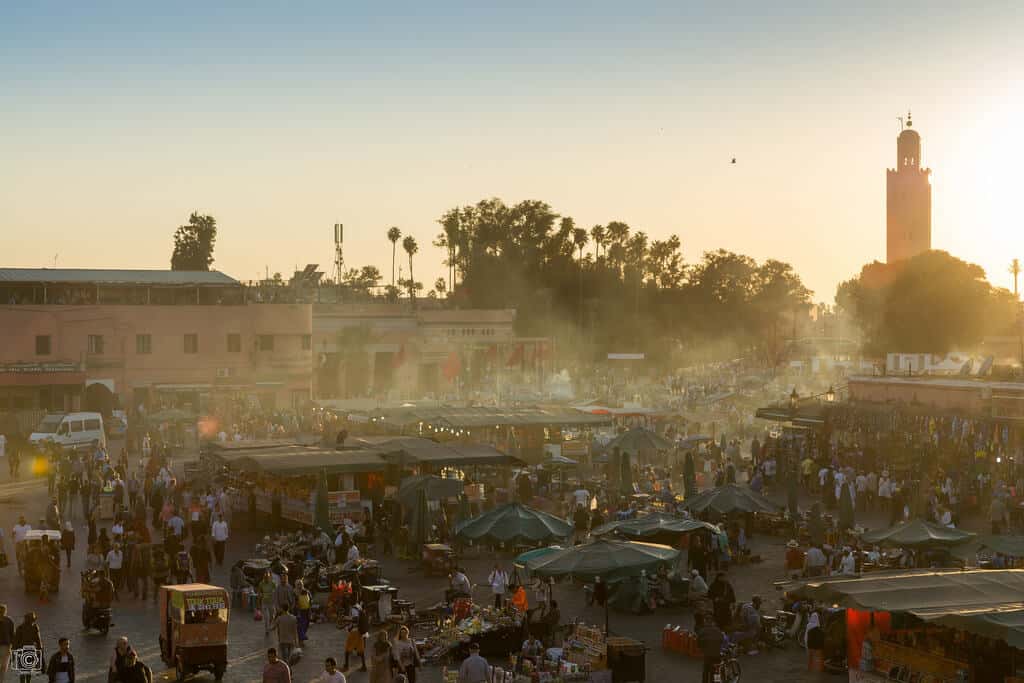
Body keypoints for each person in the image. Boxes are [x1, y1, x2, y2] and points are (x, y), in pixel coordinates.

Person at [696, 612, 725, 683]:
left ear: (705, 621)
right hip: (717, 654)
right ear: (712, 622)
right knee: (717, 670)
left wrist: (701, 648)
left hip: (708, 654)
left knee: (706, 670)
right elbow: (722, 639)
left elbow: (698, 642)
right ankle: (717, 681)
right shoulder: (717, 630)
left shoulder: (702, 630)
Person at [13, 613, 42, 683]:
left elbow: (38, 640)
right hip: (25, 651)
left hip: (27, 650)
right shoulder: (22, 628)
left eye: (32, 619)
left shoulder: (33, 627)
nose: (32, 621)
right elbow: (16, 641)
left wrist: (40, 649)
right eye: (31, 619)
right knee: (25, 671)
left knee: (26, 670)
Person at [342, 603, 367, 672]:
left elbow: (355, 620)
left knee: (347, 649)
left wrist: (347, 619)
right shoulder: (358, 607)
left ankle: (346, 665)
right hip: (359, 632)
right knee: (361, 650)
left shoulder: (354, 608)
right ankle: (364, 666)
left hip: (354, 632)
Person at [0, 604, 15, 683]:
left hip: (6, 647)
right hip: (6, 647)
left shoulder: (9, 621)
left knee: (3, 667)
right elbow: (12, 635)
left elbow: (12, 635)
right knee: (3, 667)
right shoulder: (9, 621)